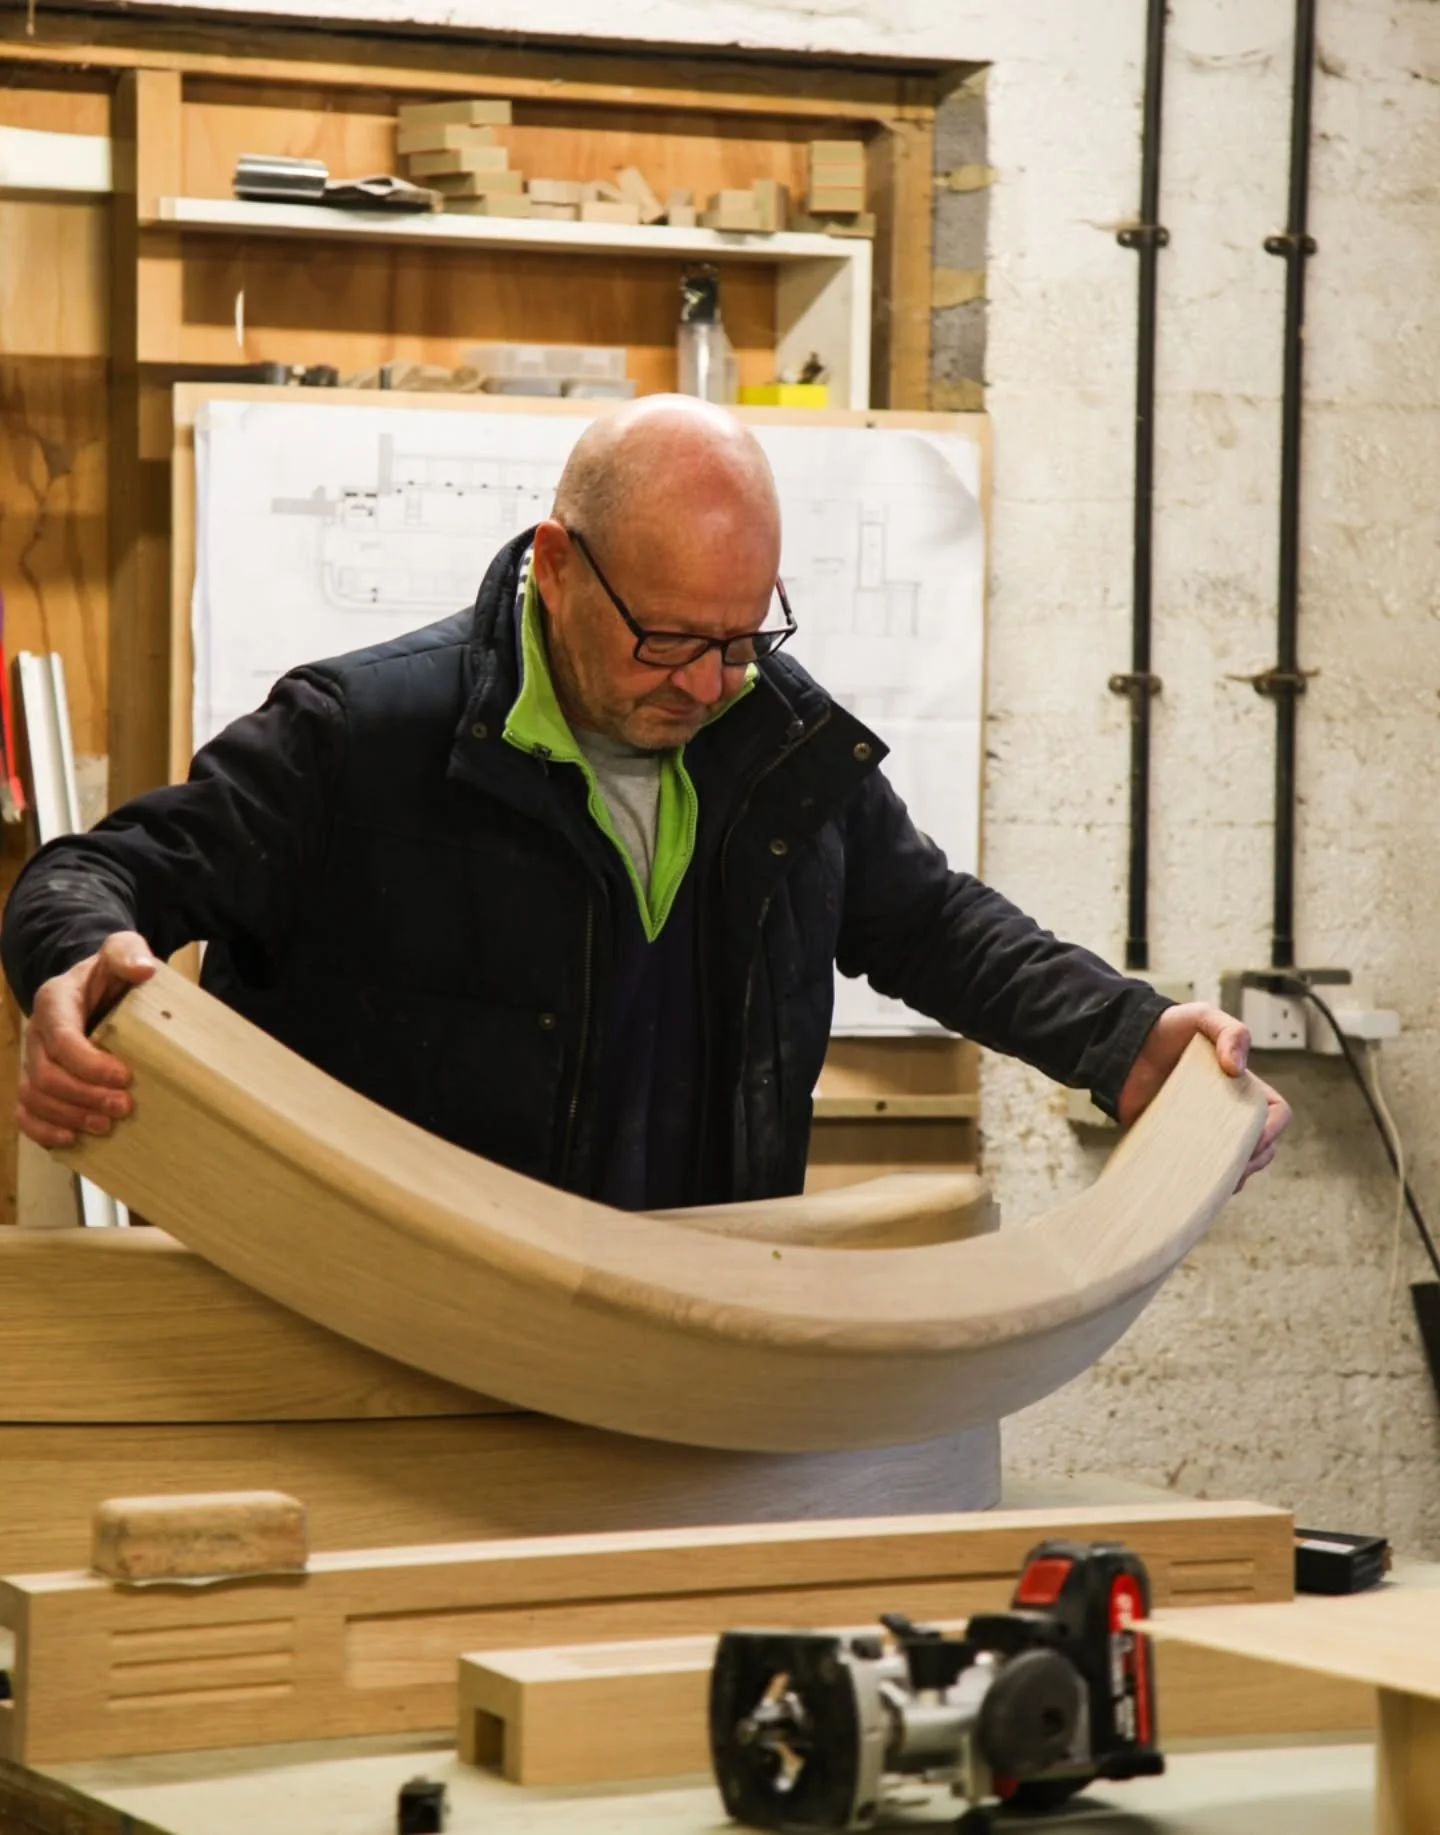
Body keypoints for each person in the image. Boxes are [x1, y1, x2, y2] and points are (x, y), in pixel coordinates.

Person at [1, 397, 1289, 1208]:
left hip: (674, 1331)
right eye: (671, 639)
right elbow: (93, 874)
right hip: (384, 1328)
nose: (709, 684)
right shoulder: (360, 738)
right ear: (558, 565)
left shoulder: (772, 741)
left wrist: (1128, 1041)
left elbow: (932, 923)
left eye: (744, 637)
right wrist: (71, 964)